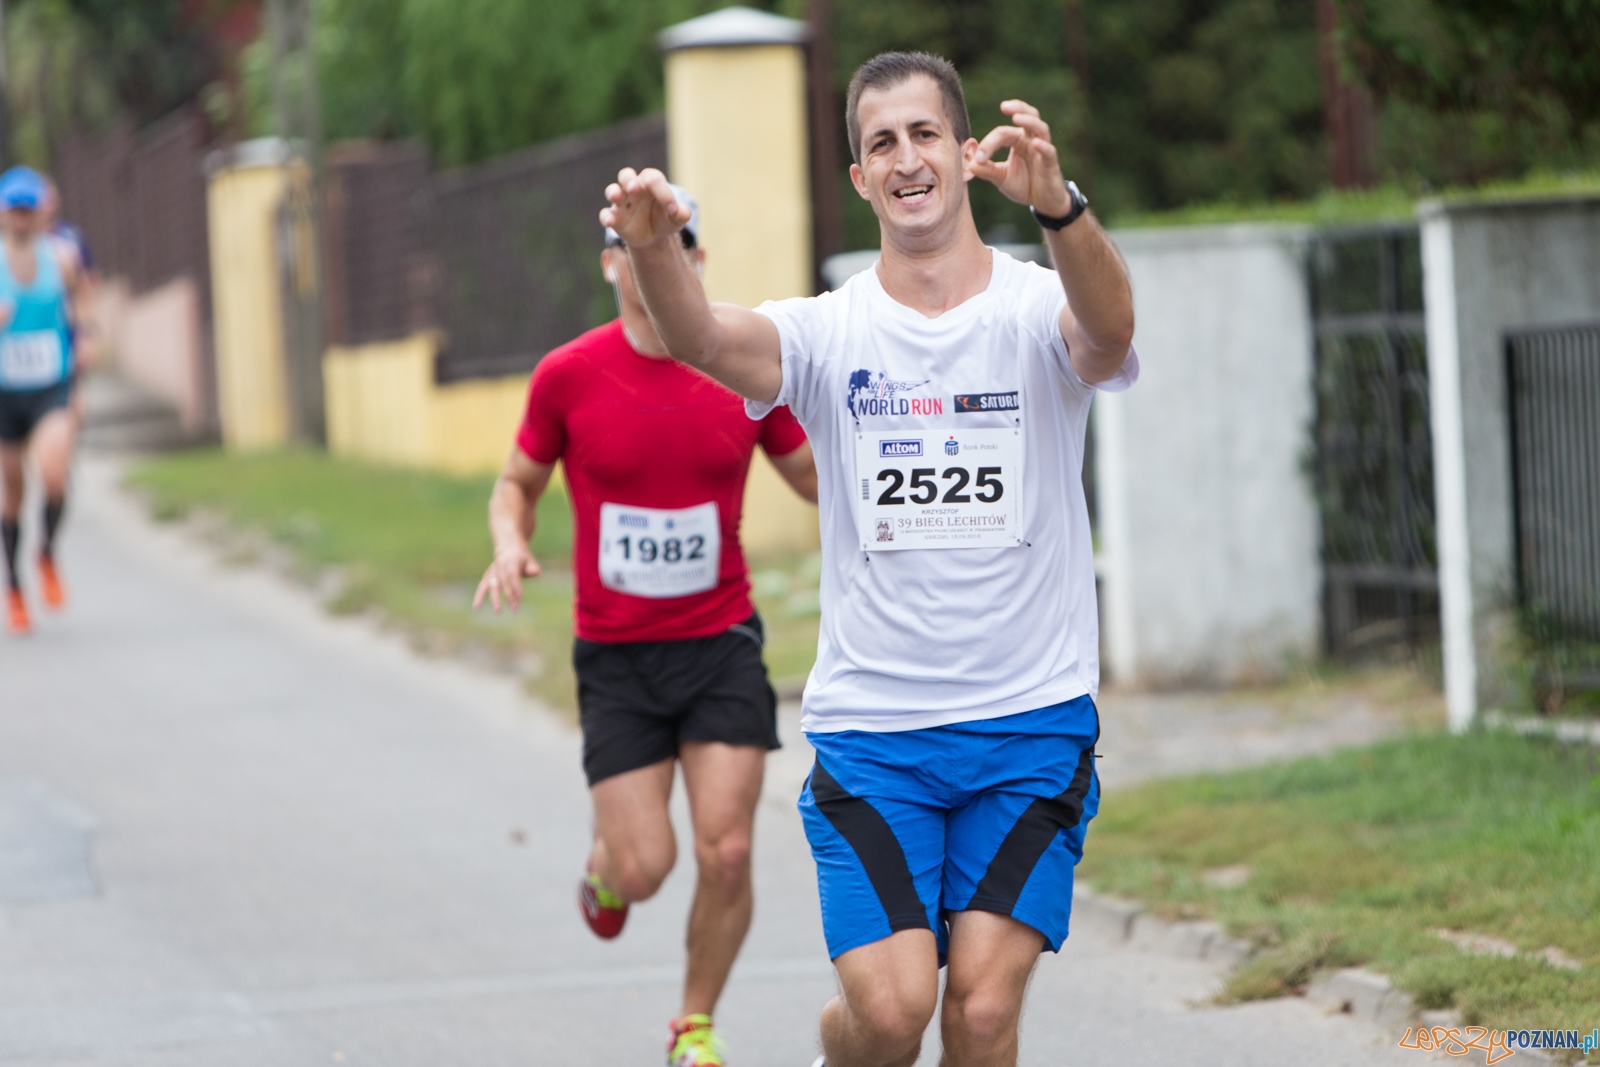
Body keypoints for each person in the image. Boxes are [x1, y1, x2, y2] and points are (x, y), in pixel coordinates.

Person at [600, 52, 1137, 1067]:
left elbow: (1110, 333)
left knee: (980, 1011)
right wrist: (656, 245)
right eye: (880, 143)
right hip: (875, 735)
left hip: (1029, 725)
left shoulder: (1033, 308)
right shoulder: (827, 331)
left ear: (965, 151)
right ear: (859, 177)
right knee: (887, 1015)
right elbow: (703, 340)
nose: (905, 160)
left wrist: (1058, 208)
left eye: (924, 134)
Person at [473, 185, 819, 1067]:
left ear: (695, 260)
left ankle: (693, 1026)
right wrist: (510, 542)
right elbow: (516, 481)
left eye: (675, 238)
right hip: (619, 659)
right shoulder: (569, 374)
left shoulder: (738, 372)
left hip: (721, 644)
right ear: (609, 262)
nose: (654, 253)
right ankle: (606, 866)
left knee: (730, 848)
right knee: (646, 868)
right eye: (633, 241)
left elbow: (820, 478)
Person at [0, 166, 96, 635]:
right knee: (12, 493)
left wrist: (87, 338)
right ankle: (14, 585)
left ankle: (47, 553)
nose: (21, 219)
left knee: (55, 474)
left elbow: (83, 299)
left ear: (41, 212)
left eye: (27, 210)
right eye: (13, 210)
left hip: (49, 383)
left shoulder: (61, 256)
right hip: (4, 394)